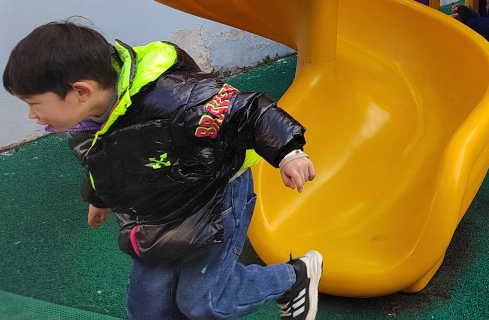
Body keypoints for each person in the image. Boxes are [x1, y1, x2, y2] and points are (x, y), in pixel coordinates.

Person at [2, 20, 323, 320]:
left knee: (203, 301)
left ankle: (294, 277)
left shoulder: (175, 97)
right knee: (147, 306)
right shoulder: (84, 125)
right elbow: (102, 162)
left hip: (214, 195)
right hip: (157, 206)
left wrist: (288, 152)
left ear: (81, 92)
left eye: (34, 104)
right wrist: (98, 199)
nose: (32, 115)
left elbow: (247, 110)